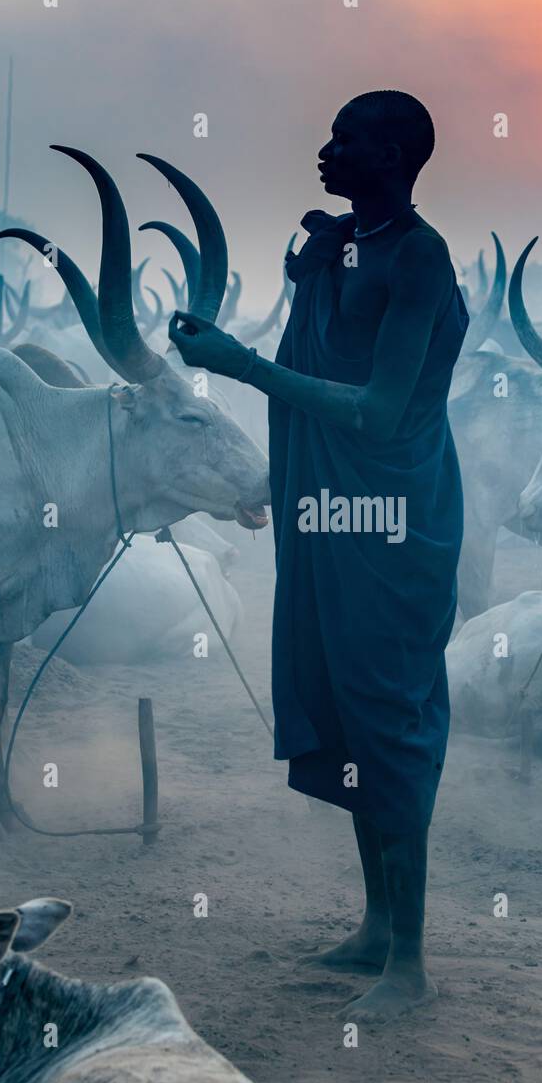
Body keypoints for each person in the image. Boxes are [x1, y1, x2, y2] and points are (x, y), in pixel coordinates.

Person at [169, 91, 468, 1022]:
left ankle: (410, 964)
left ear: (395, 156)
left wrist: (240, 364)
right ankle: (377, 924)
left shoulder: (419, 257)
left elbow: (377, 411)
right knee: (339, 701)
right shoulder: (345, 244)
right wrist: (313, 280)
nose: (326, 152)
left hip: (390, 517)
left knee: (386, 716)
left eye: (346, 141)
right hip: (328, 507)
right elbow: (329, 345)